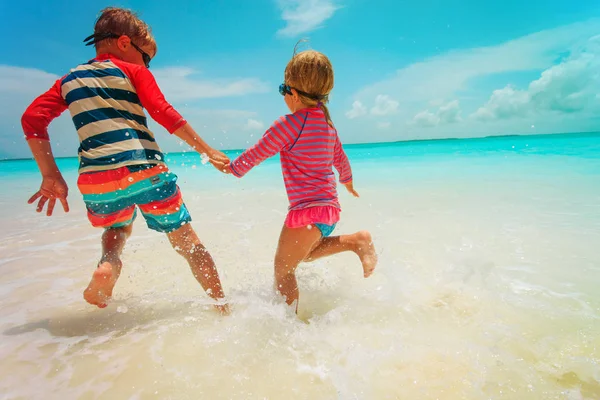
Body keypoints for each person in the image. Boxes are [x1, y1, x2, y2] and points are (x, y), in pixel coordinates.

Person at [20, 7, 230, 314]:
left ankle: (109, 264)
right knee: (186, 240)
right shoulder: (133, 72)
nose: (148, 65)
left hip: (96, 182)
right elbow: (162, 111)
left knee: (116, 230)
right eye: (146, 57)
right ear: (123, 43)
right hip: (145, 170)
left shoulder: (67, 80)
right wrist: (206, 149)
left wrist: (50, 174)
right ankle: (222, 306)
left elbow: (32, 118)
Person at [225, 48, 378, 312]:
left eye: (283, 88)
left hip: (306, 212)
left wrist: (232, 168)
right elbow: (340, 158)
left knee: (283, 271)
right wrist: (348, 182)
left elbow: (258, 153)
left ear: (293, 92)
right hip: (329, 211)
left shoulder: (289, 124)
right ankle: (355, 241)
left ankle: (289, 329)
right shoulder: (328, 126)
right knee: (303, 255)